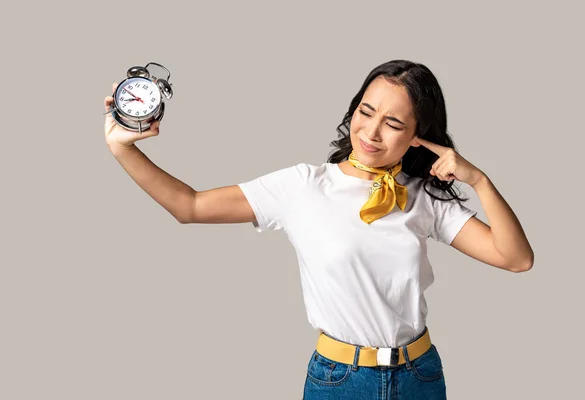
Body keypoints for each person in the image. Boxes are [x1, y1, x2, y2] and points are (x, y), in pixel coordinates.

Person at [104, 59, 534, 400]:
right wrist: (121, 148)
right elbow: (190, 206)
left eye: (394, 123)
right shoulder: (303, 187)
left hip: (420, 376)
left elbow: (516, 259)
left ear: (417, 136)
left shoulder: (421, 197)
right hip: (340, 383)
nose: (372, 130)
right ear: (353, 111)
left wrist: (479, 180)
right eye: (366, 112)